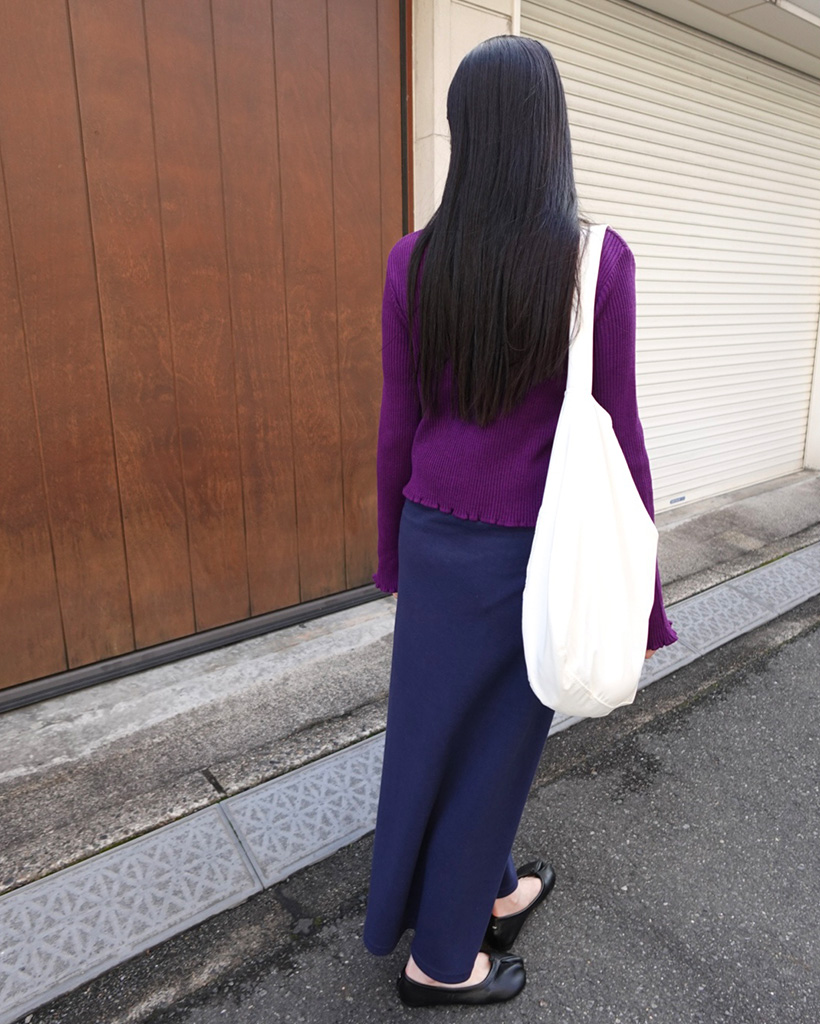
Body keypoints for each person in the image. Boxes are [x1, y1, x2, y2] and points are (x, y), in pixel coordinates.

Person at [361, 34, 678, 1008]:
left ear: (462, 132)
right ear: (551, 132)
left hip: (434, 538)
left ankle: (490, 890)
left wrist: (392, 558)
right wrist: (644, 598)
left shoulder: (414, 260)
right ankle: (440, 963)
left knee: (432, 738)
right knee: (496, 758)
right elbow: (620, 435)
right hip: (534, 559)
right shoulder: (596, 261)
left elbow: (398, 424)